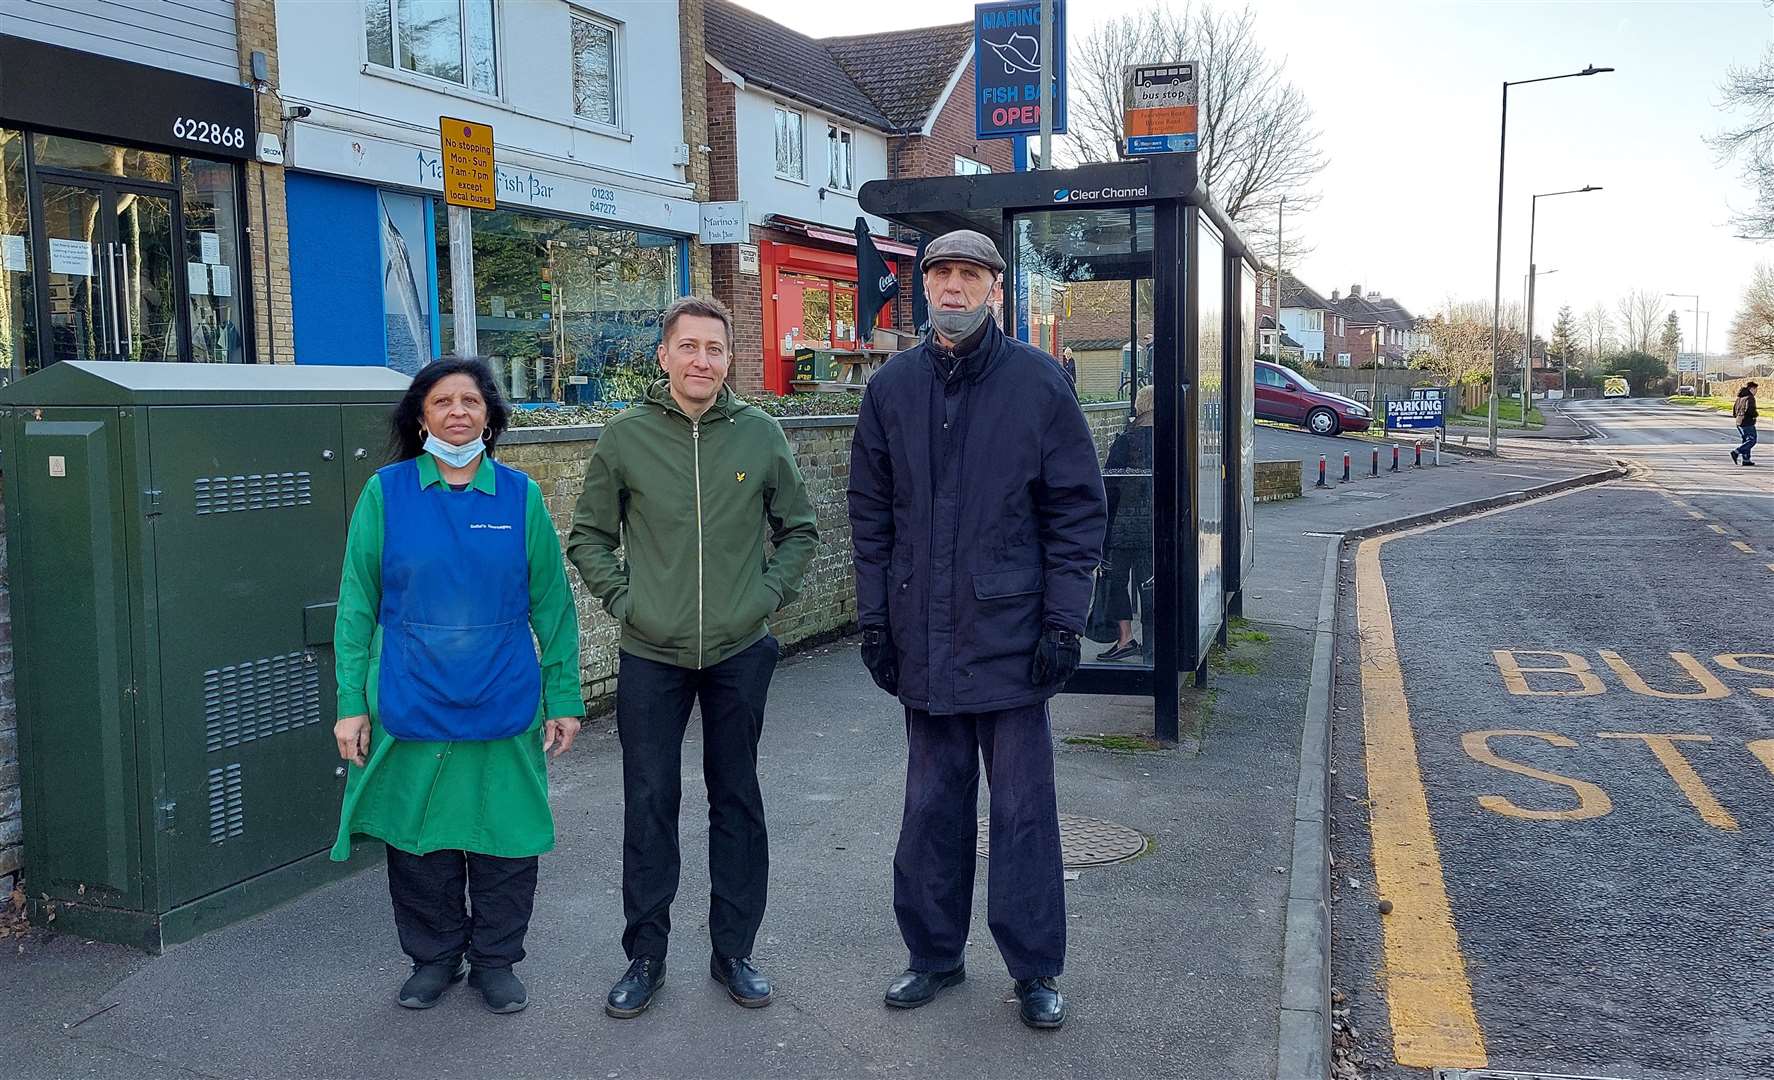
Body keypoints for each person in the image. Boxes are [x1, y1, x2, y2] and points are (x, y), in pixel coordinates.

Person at [848, 229, 1107, 1030]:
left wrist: (1063, 624)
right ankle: (933, 955)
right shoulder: (892, 387)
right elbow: (870, 516)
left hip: (1014, 638)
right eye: (941, 275)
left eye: (969, 275)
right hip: (924, 638)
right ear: (925, 287)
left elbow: (1075, 511)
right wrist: (875, 621)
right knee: (930, 807)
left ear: (996, 288)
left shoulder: (1038, 384)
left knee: (1024, 814)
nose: (954, 289)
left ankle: (1034, 970)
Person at [568, 295, 818, 1019]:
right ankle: (645, 956)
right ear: (663, 356)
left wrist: (763, 600)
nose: (702, 360)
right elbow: (588, 536)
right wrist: (628, 604)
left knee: (737, 798)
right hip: (653, 652)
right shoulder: (626, 436)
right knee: (650, 803)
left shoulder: (761, 435)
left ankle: (733, 950)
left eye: (715, 348)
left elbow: (799, 531)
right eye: (689, 347)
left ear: (728, 359)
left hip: (741, 650)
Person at [331, 357, 585, 1015]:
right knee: (419, 843)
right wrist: (350, 705)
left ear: (490, 418)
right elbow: (357, 604)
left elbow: (553, 606)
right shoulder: (385, 494)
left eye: (471, 401)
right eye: (442, 401)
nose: (457, 412)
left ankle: (496, 962)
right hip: (408, 698)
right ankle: (434, 959)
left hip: (503, 698)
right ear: (420, 418)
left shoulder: (519, 497)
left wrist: (564, 698)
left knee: (505, 838)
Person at [1099, 386, 1155, 663]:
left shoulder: (1126, 439)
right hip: (1156, 525)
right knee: (1150, 582)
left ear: (1139, 407)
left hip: (1124, 526)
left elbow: (1109, 484)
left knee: (1116, 581)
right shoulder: (1171, 438)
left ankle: (1125, 638)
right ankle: (1153, 643)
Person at [1732, 382, 1758, 466]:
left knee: (1746, 440)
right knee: (1752, 440)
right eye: (1755, 389)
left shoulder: (1739, 397)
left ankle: (1746, 459)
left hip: (1739, 422)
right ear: (1751, 389)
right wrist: (1755, 415)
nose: (1756, 391)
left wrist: (1737, 416)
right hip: (1747, 422)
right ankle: (1737, 451)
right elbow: (1750, 410)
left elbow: (1734, 409)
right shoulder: (1750, 398)